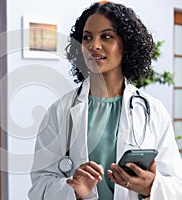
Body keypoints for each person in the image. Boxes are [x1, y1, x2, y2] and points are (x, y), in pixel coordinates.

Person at [28, 1, 182, 200]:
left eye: (106, 36)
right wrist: (73, 190)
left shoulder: (153, 110)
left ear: (126, 44)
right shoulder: (61, 111)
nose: (94, 46)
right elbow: (39, 186)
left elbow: (177, 186)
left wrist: (150, 187)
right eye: (87, 37)